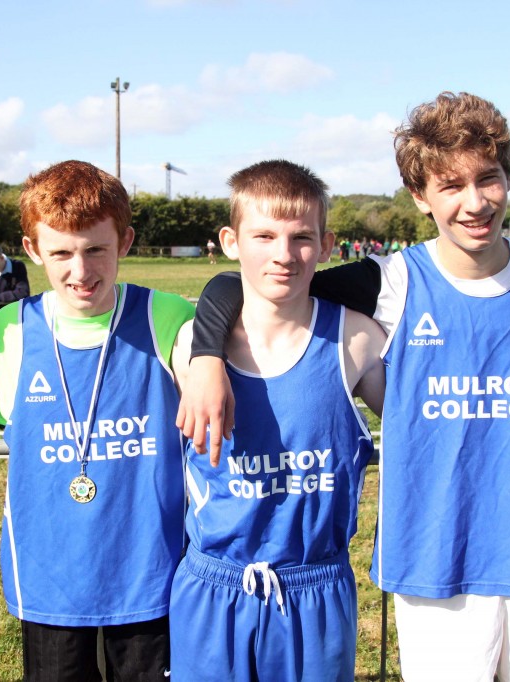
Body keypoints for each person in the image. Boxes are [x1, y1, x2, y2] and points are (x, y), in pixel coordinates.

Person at [179, 92, 510, 681]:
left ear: (508, 180)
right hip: (436, 563)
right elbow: (242, 279)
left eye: (488, 179)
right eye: (451, 185)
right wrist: (207, 358)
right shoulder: (388, 282)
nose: (475, 202)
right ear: (421, 197)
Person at [0, 160, 193, 681]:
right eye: (61, 253)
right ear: (31, 250)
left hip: (151, 574)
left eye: (97, 249)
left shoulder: (167, 318)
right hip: (51, 580)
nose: (80, 270)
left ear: (126, 241)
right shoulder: (9, 332)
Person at [169, 160, 385, 681]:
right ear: (230, 240)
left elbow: (424, 430)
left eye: (301, 238)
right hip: (214, 587)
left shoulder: (356, 340)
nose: (283, 255)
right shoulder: (188, 348)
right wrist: (205, 355)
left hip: (313, 587)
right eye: (263, 235)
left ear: (327, 245)